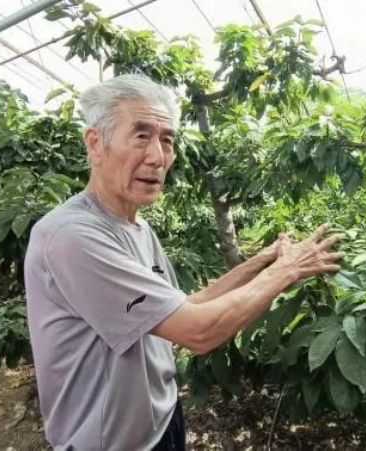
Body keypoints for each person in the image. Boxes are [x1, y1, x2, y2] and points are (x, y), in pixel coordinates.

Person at [24, 74, 343, 451]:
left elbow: (187, 306)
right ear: (95, 143)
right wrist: (288, 269)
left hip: (161, 420)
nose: (158, 157)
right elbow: (198, 331)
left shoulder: (136, 226)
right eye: (141, 135)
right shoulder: (71, 236)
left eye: (167, 140)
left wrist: (261, 261)